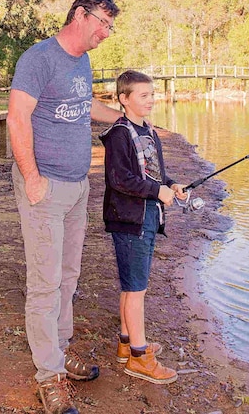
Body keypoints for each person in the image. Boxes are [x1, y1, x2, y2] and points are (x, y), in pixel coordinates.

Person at [7, 0, 124, 414]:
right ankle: (49, 376)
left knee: (69, 276)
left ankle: (58, 350)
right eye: (103, 24)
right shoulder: (38, 58)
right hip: (46, 187)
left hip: (77, 187)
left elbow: (83, 104)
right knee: (45, 283)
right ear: (80, 15)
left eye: (110, 27)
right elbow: (17, 117)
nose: (106, 33)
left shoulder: (82, 61)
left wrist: (123, 116)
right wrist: (33, 179)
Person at [99, 70, 187, 384]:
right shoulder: (120, 134)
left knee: (131, 286)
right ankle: (139, 356)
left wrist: (171, 185)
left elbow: (153, 174)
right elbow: (120, 180)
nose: (151, 100)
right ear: (124, 99)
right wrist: (156, 192)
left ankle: (126, 345)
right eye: (143, 95)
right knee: (137, 291)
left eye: (152, 94)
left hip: (146, 216)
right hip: (129, 219)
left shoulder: (146, 130)